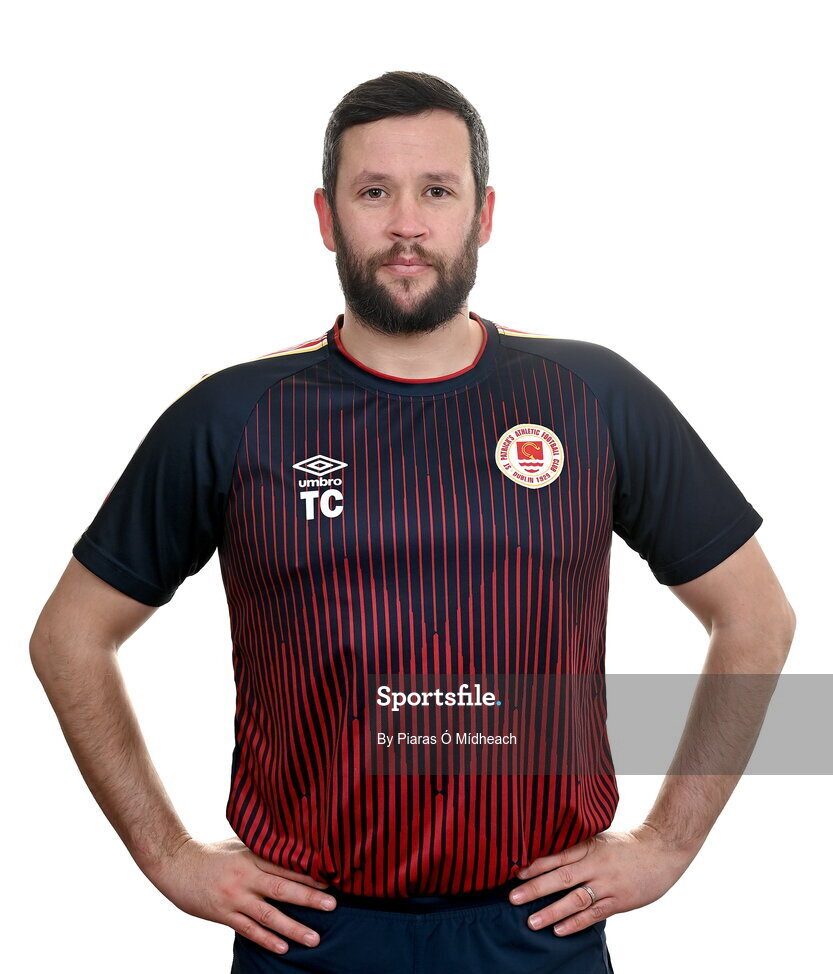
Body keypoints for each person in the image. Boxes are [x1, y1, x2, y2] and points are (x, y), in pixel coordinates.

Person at [29, 70, 795, 974]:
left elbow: (756, 616)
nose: (406, 223)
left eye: (437, 190)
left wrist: (668, 842)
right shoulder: (233, 414)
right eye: (372, 192)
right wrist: (165, 855)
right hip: (309, 937)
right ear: (325, 217)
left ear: (483, 212)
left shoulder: (594, 397)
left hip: (533, 933)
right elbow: (69, 637)